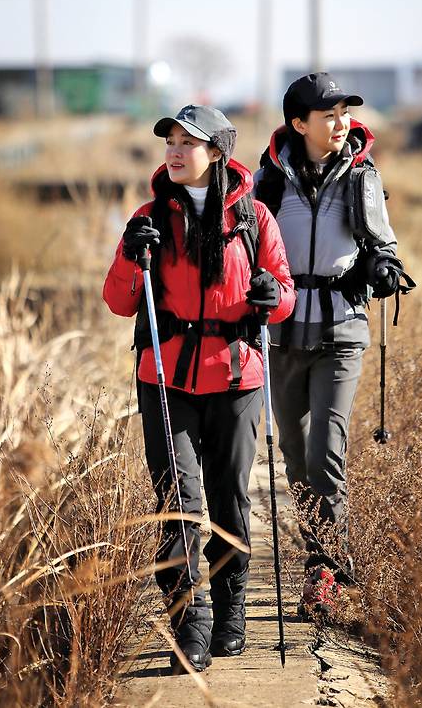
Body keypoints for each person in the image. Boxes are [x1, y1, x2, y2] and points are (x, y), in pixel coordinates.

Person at [103, 104, 295, 673]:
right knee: (177, 505)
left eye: (189, 142)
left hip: (236, 375)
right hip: (165, 381)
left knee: (231, 500)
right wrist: (128, 251)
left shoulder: (256, 218)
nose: (175, 152)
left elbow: (283, 292)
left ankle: (231, 608)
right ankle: (191, 621)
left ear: (218, 152)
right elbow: (118, 302)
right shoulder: (147, 219)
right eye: (170, 142)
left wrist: (269, 295)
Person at [254, 73, 411, 618]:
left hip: (343, 328)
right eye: (329, 115)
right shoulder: (268, 182)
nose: (342, 124)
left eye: (345, 113)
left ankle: (328, 573)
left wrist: (384, 265)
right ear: (299, 124)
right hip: (282, 333)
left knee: (326, 453)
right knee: (296, 459)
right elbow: (249, 247)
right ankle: (317, 554)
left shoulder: (363, 177)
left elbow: (381, 242)